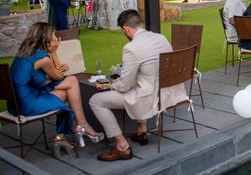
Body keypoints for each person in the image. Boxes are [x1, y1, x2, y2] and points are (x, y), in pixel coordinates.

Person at [90, 10, 176, 161]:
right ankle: (142, 131)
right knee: (138, 82)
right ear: (139, 24)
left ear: (125, 29)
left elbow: (124, 87)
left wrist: (113, 84)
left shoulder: (131, 48)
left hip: (148, 97)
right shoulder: (161, 38)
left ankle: (122, 146)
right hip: (167, 92)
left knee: (96, 101)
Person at [10, 23, 103, 157]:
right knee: (71, 84)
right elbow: (59, 78)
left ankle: (62, 137)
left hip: (16, 103)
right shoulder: (42, 58)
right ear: (45, 38)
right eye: (53, 34)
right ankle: (81, 126)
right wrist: (54, 53)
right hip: (27, 104)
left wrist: (55, 71)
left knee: (69, 88)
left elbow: (37, 79)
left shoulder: (23, 53)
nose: (55, 37)